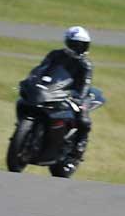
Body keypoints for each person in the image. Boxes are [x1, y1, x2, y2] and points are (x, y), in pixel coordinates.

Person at [26, 26, 94, 169]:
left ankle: (77, 150)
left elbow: (86, 84)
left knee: (84, 120)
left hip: (76, 94)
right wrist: (32, 79)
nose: (80, 48)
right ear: (68, 42)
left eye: (83, 45)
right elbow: (41, 69)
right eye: (76, 44)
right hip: (54, 90)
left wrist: (79, 98)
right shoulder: (55, 55)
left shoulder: (85, 64)